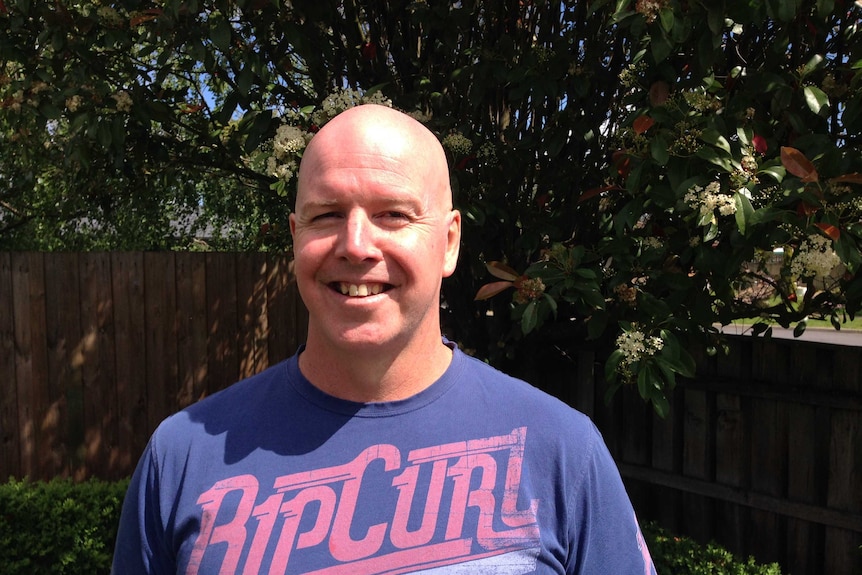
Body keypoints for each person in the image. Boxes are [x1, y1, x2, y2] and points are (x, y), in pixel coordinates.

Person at [112, 104, 657, 574]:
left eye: (393, 215)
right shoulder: (181, 458)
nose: (356, 245)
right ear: (295, 238)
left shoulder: (562, 452)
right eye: (326, 215)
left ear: (448, 243)